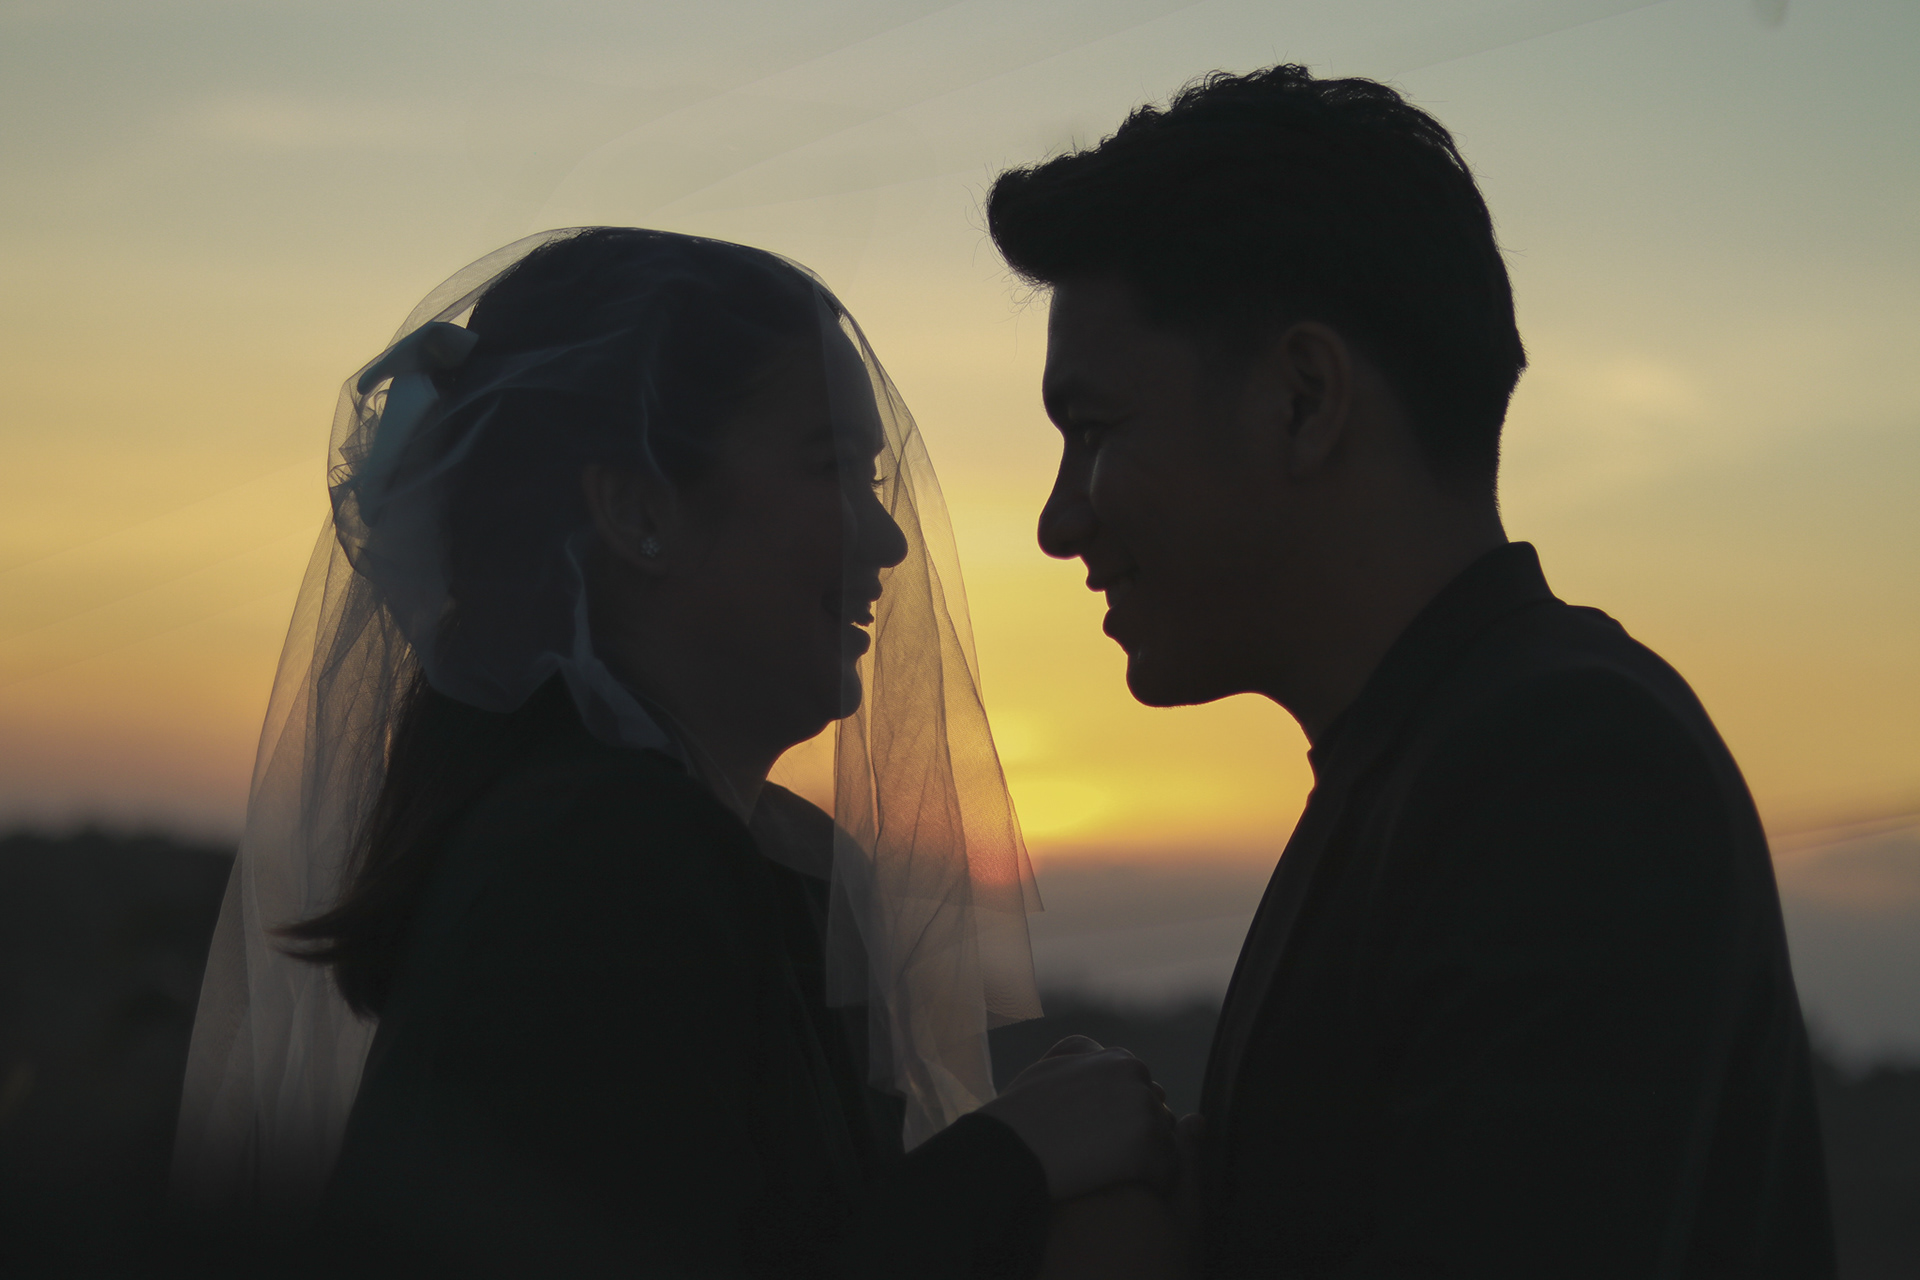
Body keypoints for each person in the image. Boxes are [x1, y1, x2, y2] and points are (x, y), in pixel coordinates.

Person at [171, 228, 1173, 1277]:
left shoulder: (723, 847)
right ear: (636, 507)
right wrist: (1015, 1158)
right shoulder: (605, 859)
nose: (887, 541)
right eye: (832, 468)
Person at [987, 67, 1836, 1277]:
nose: (1058, 520)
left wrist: (1110, 1237)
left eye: (1096, 430)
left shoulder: (1567, 772)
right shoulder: (1423, 762)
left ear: (1304, 398)